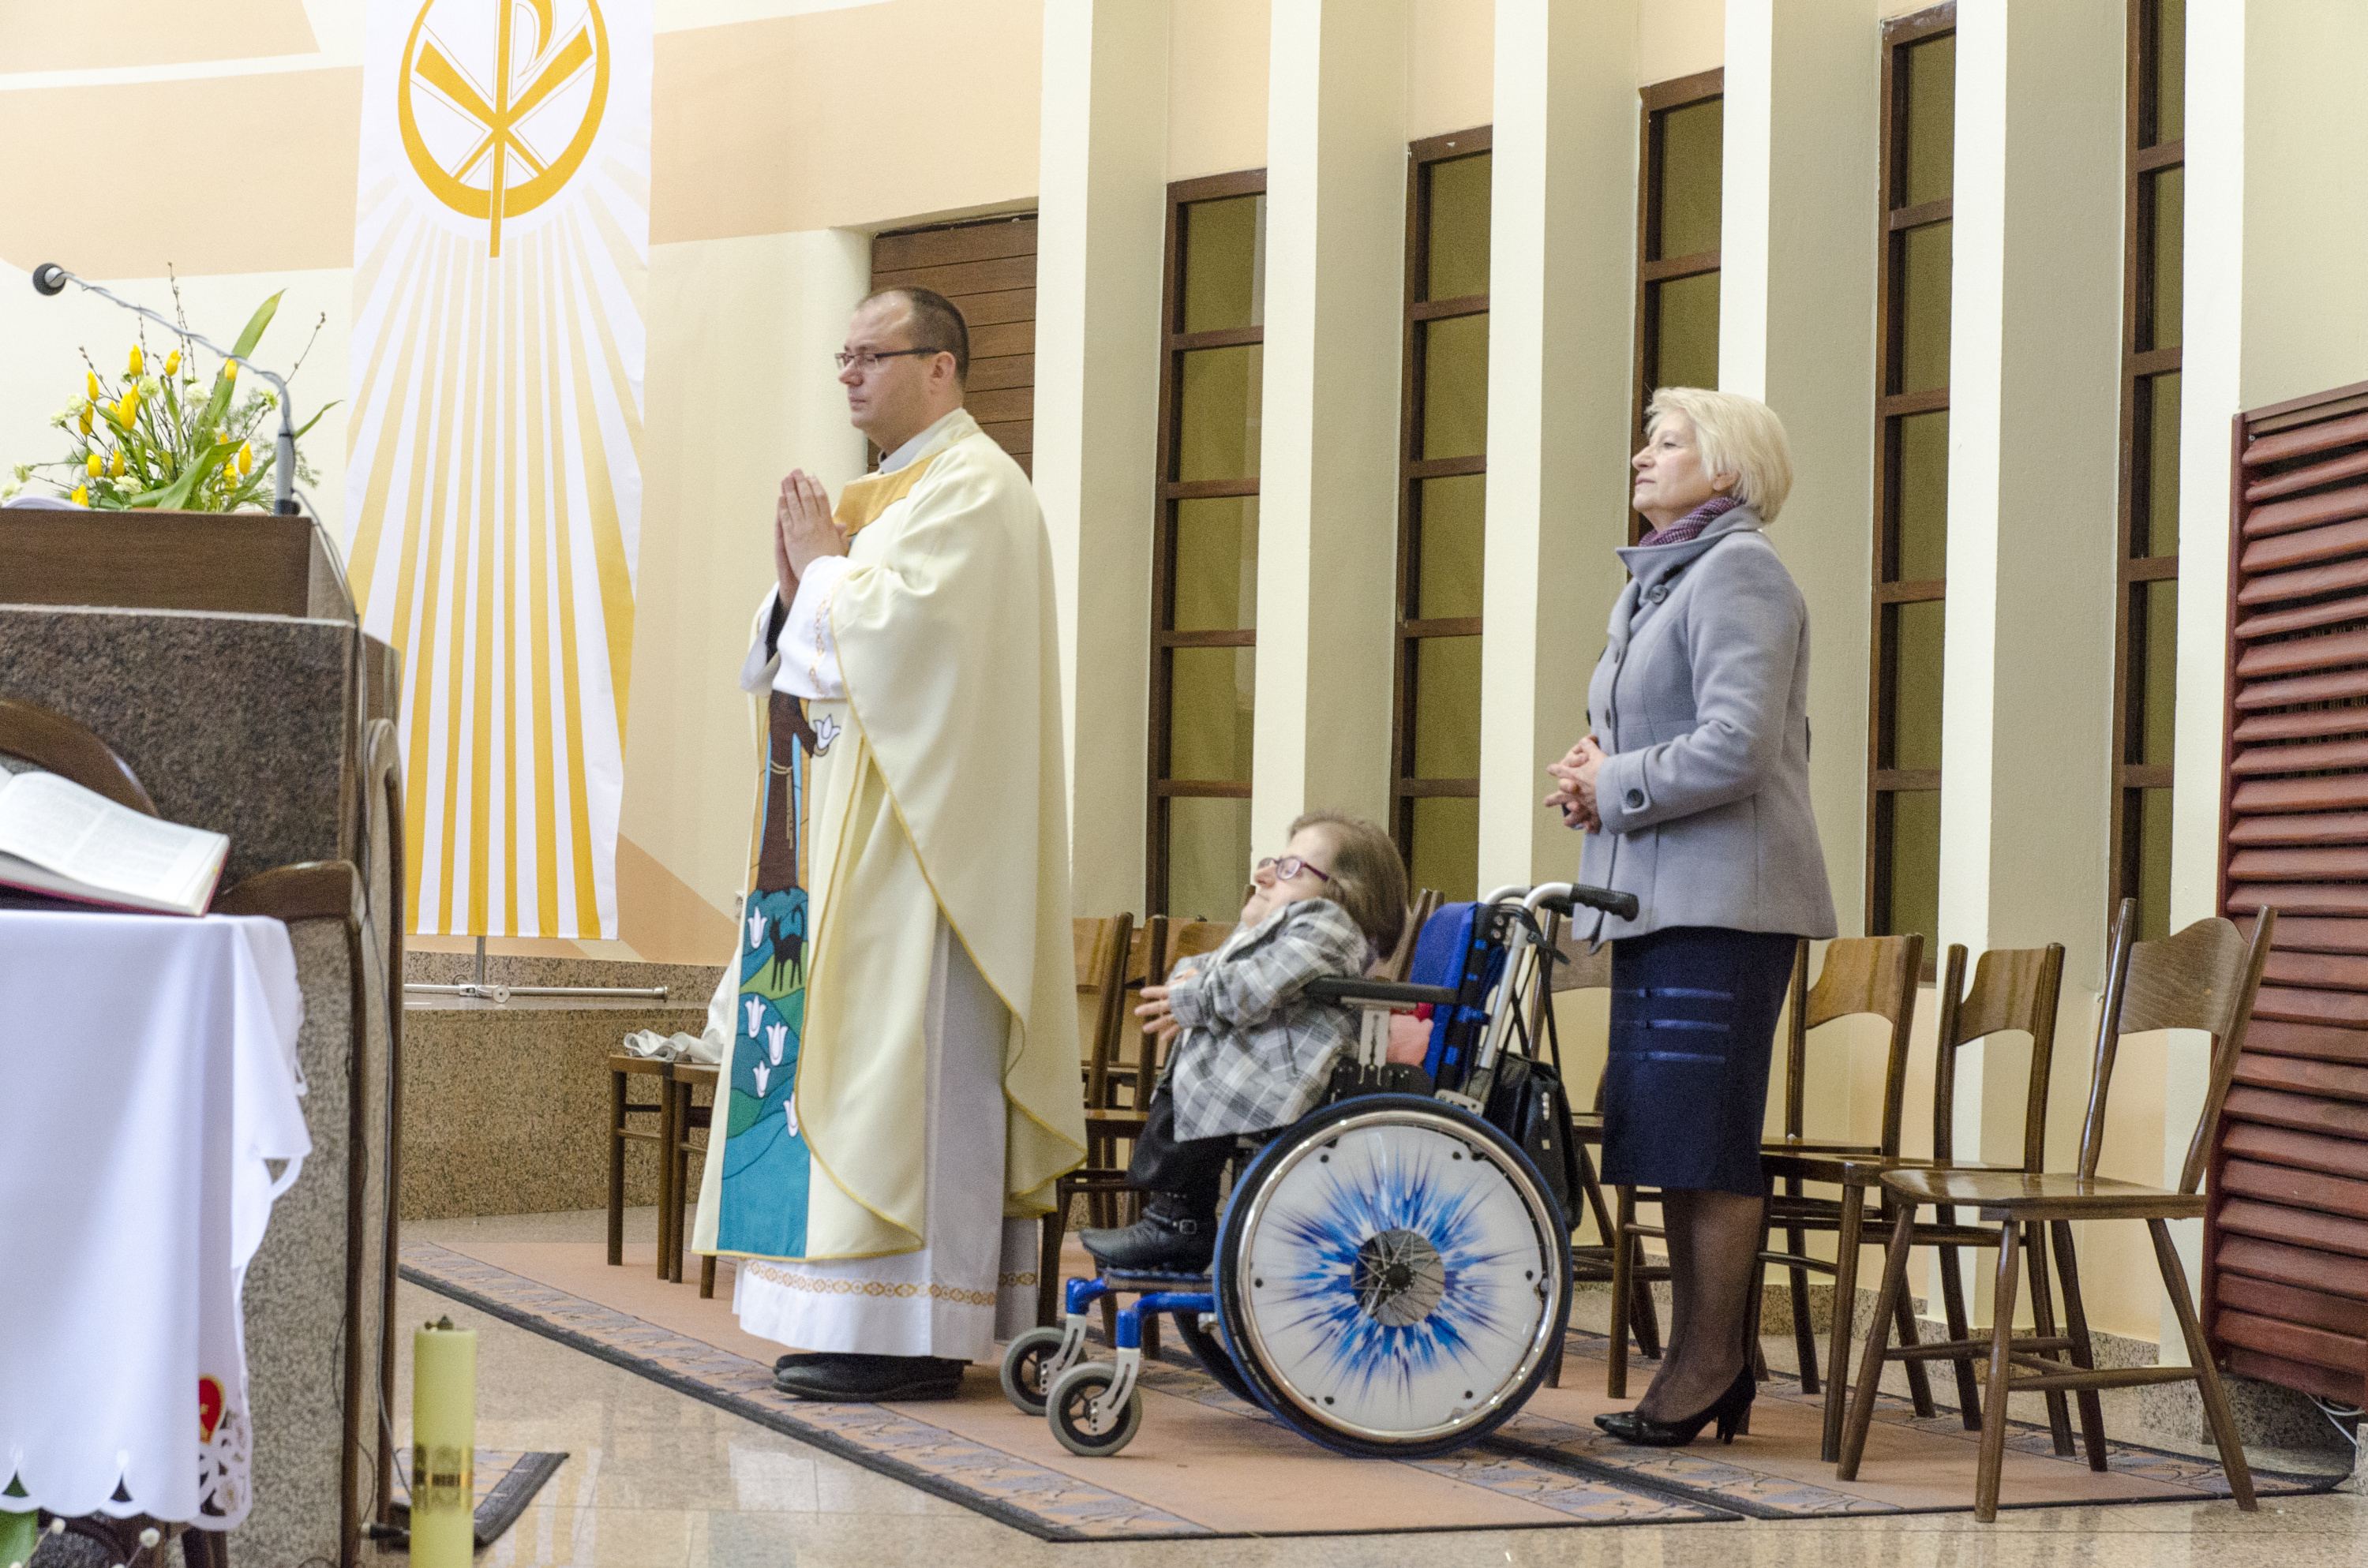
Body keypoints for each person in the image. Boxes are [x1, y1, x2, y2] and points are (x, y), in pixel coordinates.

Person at [688, 286, 1085, 1402]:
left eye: (872, 354)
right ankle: (846, 1319)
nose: (850, 374)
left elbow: (906, 640)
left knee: (911, 1084)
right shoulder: (893, 494)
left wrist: (824, 571)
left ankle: (913, 1332)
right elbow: (818, 650)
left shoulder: (978, 490)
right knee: (848, 1077)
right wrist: (796, 591)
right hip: (861, 838)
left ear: (941, 366)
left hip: (933, 857)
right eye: (844, 356)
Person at [1544, 387, 1837, 1446]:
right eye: (1647, 440)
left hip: (1726, 908)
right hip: (1662, 903)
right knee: (1672, 1132)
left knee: (1704, 1136)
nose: (1642, 455)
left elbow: (1737, 746)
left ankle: (1709, 1361)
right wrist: (1598, 777)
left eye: (1668, 442)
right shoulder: (1661, 580)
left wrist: (1617, 777)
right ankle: (1708, 1357)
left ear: (1729, 471)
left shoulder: (1741, 570)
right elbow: (1655, 738)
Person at [1080, 812, 1409, 1273]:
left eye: (1291, 869)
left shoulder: (1328, 925)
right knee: (1181, 1101)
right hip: (1259, 1065)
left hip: (1282, 1073)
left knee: (1188, 1102)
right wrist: (1221, 960)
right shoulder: (1281, 928)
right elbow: (1200, 972)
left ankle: (1176, 1225)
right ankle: (1175, 1222)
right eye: (1274, 861)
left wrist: (1199, 995)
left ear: (1344, 893)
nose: (1263, 874)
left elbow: (1260, 983)